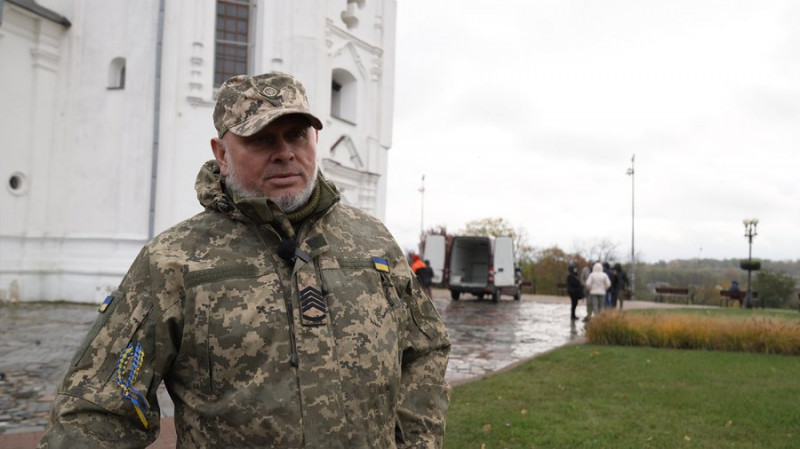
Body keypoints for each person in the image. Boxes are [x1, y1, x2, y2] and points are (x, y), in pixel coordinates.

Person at [39, 72, 451, 448]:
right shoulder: (175, 260)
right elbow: (96, 411)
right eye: (260, 139)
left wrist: (417, 441)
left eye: (297, 135)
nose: (285, 152)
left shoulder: (371, 241)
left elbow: (425, 348)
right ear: (221, 152)